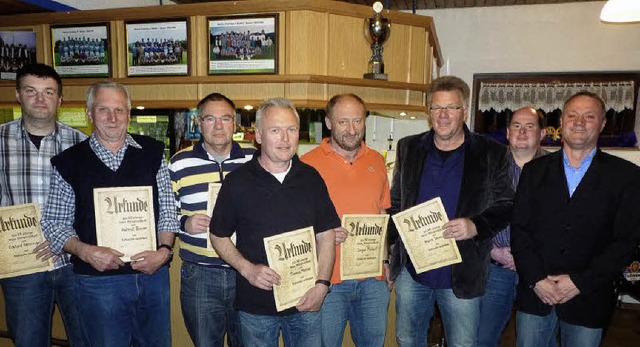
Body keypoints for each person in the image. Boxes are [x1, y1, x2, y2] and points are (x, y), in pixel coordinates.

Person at [41, 80, 179, 347]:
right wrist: (86, 252)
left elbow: (168, 210)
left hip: (151, 276)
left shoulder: (152, 153)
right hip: (98, 283)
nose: (113, 118)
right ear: (89, 114)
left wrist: (163, 252)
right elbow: (54, 223)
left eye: (119, 110)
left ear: (129, 113)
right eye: (104, 110)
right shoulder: (69, 162)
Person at [387, 75, 514, 347]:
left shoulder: (492, 152)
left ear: (464, 111)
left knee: (463, 344)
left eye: (451, 108)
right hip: (414, 272)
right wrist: (386, 250)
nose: (443, 115)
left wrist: (475, 225)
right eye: (436, 108)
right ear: (429, 112)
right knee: (407, 339)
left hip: (462, 273)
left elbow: (506, 205)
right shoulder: (408, 147)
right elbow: (396, 203)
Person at [511, 91, 640, 347]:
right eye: (572, 115)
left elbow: (626, 241)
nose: (579, 122)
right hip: (536, 294)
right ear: (561, 121)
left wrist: (579, 282)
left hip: (588, 296)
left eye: (589, 116)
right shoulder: (534, 171)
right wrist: (537, 279)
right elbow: (520, 230)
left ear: (602, 123)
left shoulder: (627, 176)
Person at [210, 97, 339, 347]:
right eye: (275, 130)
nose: (285, 138)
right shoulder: (237, 182)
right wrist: (247, 269)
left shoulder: (311, 178)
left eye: (291, 129)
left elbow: (326, 234)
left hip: (306, 302)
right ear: (258, 135)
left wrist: (322, 284)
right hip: (255, 308)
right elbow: (218, 235)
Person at [0, 63, 88, 347]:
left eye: (48, 92)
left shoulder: (80, 143)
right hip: (22, 264)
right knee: (28, 341)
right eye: (31, 91)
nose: (40, 99)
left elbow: (90, 205)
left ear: (59, 99)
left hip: (74, 262)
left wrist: (65, 239)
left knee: (88, 338)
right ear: (18, 95)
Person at [300, 93, 391, 346]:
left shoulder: (376, 161)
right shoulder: (307, 165)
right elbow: (294, 223)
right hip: (328, 282)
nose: (352, 130)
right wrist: (323, 233)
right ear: (328, 123)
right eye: (343, 122)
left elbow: (381, 214)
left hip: (372, 280)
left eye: (358, 121)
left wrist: (385, 260)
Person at [169, 92, 254, 347]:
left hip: (246, 272)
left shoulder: (255, 160)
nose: (218, 126)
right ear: (198, 123)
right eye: (210, 119)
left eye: (225, 118)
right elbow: (162, 214)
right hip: (200, 276)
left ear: (235, 123)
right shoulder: (178, 163)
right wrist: (184, 223)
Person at [476, 107, 549, 347]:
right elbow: (472, 214)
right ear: (507, 132)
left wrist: (526, 257)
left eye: (530, 126)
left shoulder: (556, 170)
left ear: (543, 133)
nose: (522, 131)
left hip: (539, 271)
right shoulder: (486, 167)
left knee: (535, 340)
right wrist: (491, 250)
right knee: (483, 337)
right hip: (495, 265)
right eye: (517, 125)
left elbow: (561, 223)